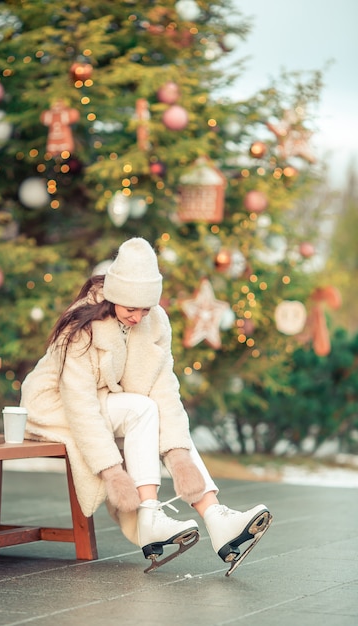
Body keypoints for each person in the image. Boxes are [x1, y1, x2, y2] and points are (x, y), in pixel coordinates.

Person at [20, 237, 272, 574]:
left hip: (106, 401)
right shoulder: (82, 325)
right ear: (113, 298)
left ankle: (216, 517)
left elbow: (164, 390)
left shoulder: (156, 323)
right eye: (130, 310)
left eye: (146, 309)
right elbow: (79, 404)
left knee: (153, 409)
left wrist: (180, 458)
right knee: (142, 409)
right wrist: (112, 472)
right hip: (52, 405)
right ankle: (149, 516)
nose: (138, 317)